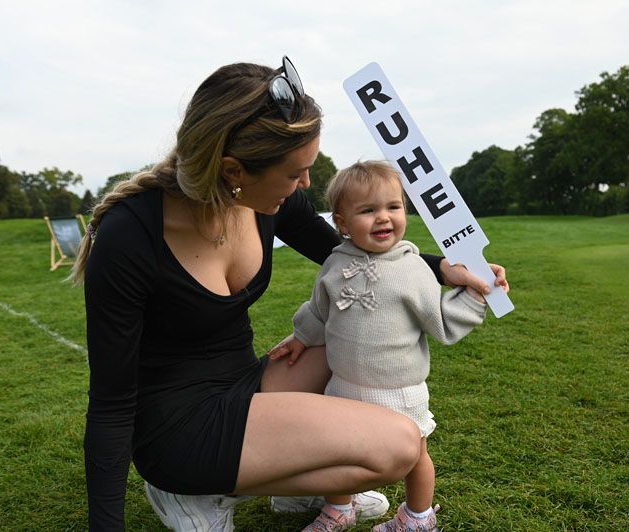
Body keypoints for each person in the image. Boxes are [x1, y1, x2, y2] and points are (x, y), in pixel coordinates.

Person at [72, 56, 508, 531]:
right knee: (400, 445)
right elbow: (111, 405)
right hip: (179, 428)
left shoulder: (262, 198)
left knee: (351, 342)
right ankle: (193, 490)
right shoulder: (129, 237)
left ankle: (291, 481)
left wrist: (443, 269)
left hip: (247, 385)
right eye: (295, 172)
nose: (306, 184)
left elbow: (348, 254)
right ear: (233, 170)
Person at [271, 161, 497, 532]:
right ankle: (339, 509)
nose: (383, 217)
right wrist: (302, 337)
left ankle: (417, 518)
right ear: (342, 223)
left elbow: (442, 322)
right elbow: (320, 310)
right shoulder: (335, 263)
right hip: (343, 385)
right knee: (337, 450)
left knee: (416, 455)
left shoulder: (413, 269)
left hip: (400, 391)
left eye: (393, 207)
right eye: (368, 210)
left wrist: (474, 296)